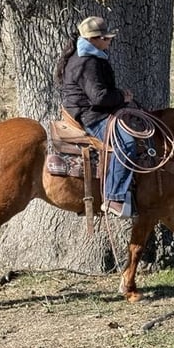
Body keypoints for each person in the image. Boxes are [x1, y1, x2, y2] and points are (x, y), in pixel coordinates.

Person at [56, 16, 138, 219]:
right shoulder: (87, 62)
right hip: (91, 115)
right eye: (106, 38)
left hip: (90, 109)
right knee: (126, 143)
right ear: (94, 39)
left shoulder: (88, 56)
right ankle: (114, 198)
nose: (110, 41)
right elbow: (99, 97)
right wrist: (122, 96)